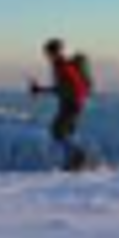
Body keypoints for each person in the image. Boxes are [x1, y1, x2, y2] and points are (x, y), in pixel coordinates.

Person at [29, 39, 92, 171]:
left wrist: (42, 90)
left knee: (57, 131)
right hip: (72, 103)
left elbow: (71, 86)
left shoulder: (62, 66)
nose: (46, 56)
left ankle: (78, 158)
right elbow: (63, 87)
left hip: (71, 104)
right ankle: (75, 161)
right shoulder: (61, 66)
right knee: (63, 132)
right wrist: (40, 90)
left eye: (47, 53)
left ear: (54, 52)